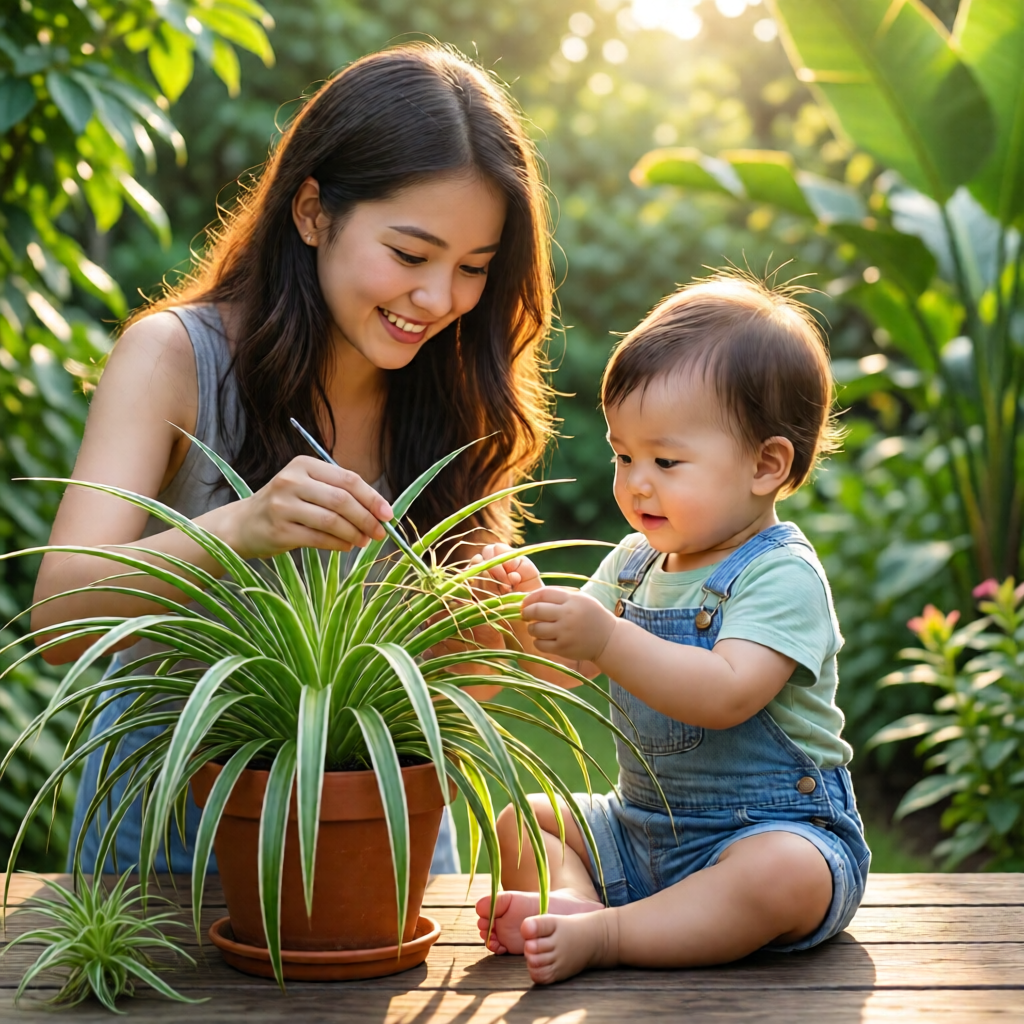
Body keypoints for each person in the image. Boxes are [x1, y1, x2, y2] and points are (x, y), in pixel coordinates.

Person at [32, 43, 555, 875]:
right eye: (411, 255)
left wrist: (484, 629)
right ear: (313, 212)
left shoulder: (456, 389)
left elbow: (449, 700)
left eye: (474, 270)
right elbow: (60, 617)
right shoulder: (173, 360)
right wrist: (243, 526)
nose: (439, 300)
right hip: (176, 837)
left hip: (386, 832)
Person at [473, 273, 870, 984]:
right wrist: (523, 608)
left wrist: (606, 637)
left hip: (764, 833)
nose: (635, 482)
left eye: (665, 460)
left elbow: (725, 694)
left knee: (784, 875)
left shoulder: (779, 574)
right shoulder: (634, 562)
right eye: (624, 455)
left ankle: (610, 933)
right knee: (526, 817)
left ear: (765, 464)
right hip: (642, 829)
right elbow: (560, 671)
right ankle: (569, 903)